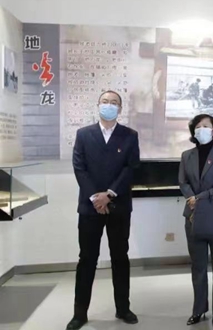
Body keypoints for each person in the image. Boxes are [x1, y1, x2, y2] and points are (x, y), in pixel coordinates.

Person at [67, 91, 140, 330]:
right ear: (98, 105)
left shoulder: (130, 135)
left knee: (120, 257)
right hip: (90, 207)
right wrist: (95, 197)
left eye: (114, 103)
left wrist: (109, 194)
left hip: (119, 205)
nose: (109, 106)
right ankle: (80, 313)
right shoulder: (84, 134)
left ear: (120, 108)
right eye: (105, 102)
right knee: (87, 259)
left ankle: (123, 308)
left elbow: (131, 168)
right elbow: (79, 167)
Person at [179, 114, 213, 328]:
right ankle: (199, 310)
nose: (201, 129)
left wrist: (199, 198)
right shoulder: (186, 156)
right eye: (198, 126)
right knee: (198, 266)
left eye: (206, 125)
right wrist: (190, 197)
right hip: (193, 216)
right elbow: (183, 182)